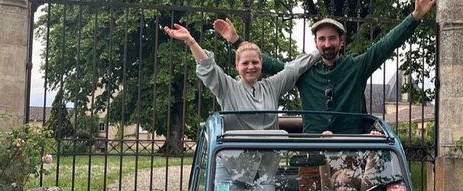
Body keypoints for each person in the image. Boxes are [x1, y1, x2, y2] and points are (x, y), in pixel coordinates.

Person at [213, 0, 436, 134]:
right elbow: (267, 63)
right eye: (322, 39)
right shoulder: (304, 73)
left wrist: (414, 17)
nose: (327, 44)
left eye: (331, 39)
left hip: (350, 151)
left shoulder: (356, 67)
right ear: (316, 43)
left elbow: (385, 46)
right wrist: (236, 41)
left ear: (341, 41)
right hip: (312, 152)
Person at [163, 23, 319, 131]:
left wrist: (322, 50)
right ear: (237, 66)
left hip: (266, 168)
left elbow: (294, 68)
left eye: (255, 62)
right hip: (234, 168)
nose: (250, 67)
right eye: (245, 63)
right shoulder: (227, 88)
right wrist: (191, 42)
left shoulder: (272, 86)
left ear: (261, 64)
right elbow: (208, 67)